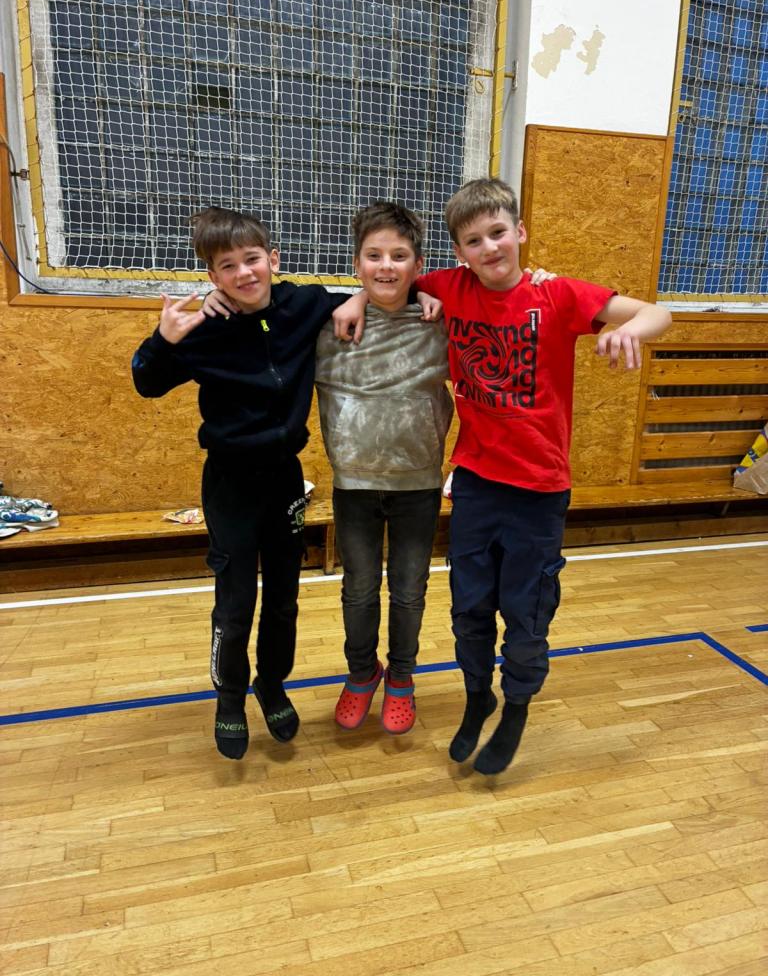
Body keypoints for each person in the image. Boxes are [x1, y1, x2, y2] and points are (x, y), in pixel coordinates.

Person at [415, 178, 672, 775]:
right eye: (474, 240)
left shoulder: (555, 294)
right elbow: (386, 281)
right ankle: (477, 697)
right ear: (459, 252)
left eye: (498, 233)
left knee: (526, 613)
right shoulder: (449, 287)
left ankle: (516, 707)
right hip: (475, 481)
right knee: (469, 606)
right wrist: (378, 300)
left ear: (520, 232)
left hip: (539, 488)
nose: (489, 248)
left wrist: (628, 330)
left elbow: (658, 311)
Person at [131, 207, 367, 760]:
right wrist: (163, 339)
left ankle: (272, 684)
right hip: (230, 483)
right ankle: (230, 696)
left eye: (252, 259)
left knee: (284, 599)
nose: (243, 273)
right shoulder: (204, 329)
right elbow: (146, 381)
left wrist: (356, 298)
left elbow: (376, 293)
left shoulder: (303, 305)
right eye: (227, 266)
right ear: (212, 276)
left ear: (273, 259)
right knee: (236, 601)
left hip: (285, 479)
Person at [314, 202, 453, 735]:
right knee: (358, 589)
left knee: (410, 590)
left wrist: (430, 294)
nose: (386, 266)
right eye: (374, 255)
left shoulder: (439, 321)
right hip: (354, 485)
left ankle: (401, 677)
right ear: (357, 264)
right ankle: (360, 673)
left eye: (399, 255)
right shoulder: (330, 324)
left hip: (418, 484)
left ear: (418, 264)